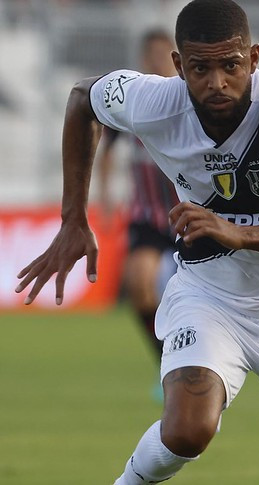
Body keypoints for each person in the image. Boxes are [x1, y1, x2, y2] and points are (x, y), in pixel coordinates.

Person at [15, 0, 259, 485]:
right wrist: (72, 218)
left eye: (231, 66)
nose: (216, 83)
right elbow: (84, 98)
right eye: (199, 69)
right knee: (189, 429)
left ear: (253, 58)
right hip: (212, 298)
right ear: (177, 65)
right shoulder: (154, 101)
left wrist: (240, 233)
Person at [96, 29, 180, 399]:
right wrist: (105, 197)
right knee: (138, 285)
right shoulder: (130, 108)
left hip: (191, 213)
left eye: (164, 55)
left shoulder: (187, 103)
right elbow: (106, 148)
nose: (157, 62)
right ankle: (166, 363)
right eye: (152, 55)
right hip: (149, 215)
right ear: (144, 59)